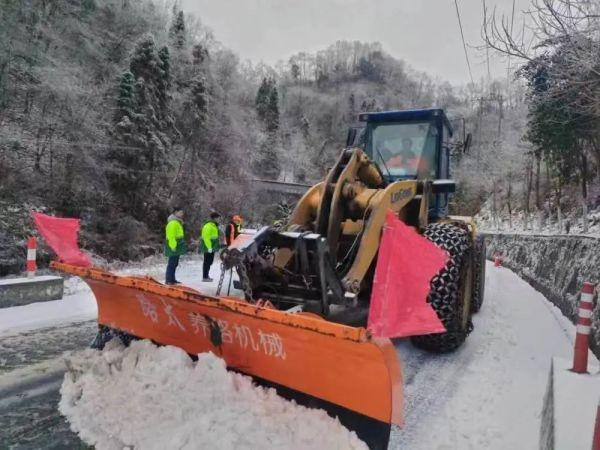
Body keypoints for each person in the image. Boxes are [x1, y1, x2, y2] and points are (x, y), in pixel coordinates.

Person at [165, 207, 187, 285]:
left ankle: (172, 279)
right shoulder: (173, 222)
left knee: (175, 263)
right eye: (181, 212)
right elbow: (171, 236)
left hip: (177, 245)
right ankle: (168, 280)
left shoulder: (177, 222)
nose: (182, 214)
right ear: (176, 212)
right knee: (172, 263)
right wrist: (173, 246)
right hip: (173, 245)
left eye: (182, 212)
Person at [200, 212, 221, 282]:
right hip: (208, 247)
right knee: (207, 262)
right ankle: (205, 277)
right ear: (214, 218)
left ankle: (206, 276)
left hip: (212, 247)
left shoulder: (214, 225)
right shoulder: (208, 226)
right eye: (218, 218)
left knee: (209, 262)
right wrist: (209, 247)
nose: (219, 220)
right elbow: (206, 238)